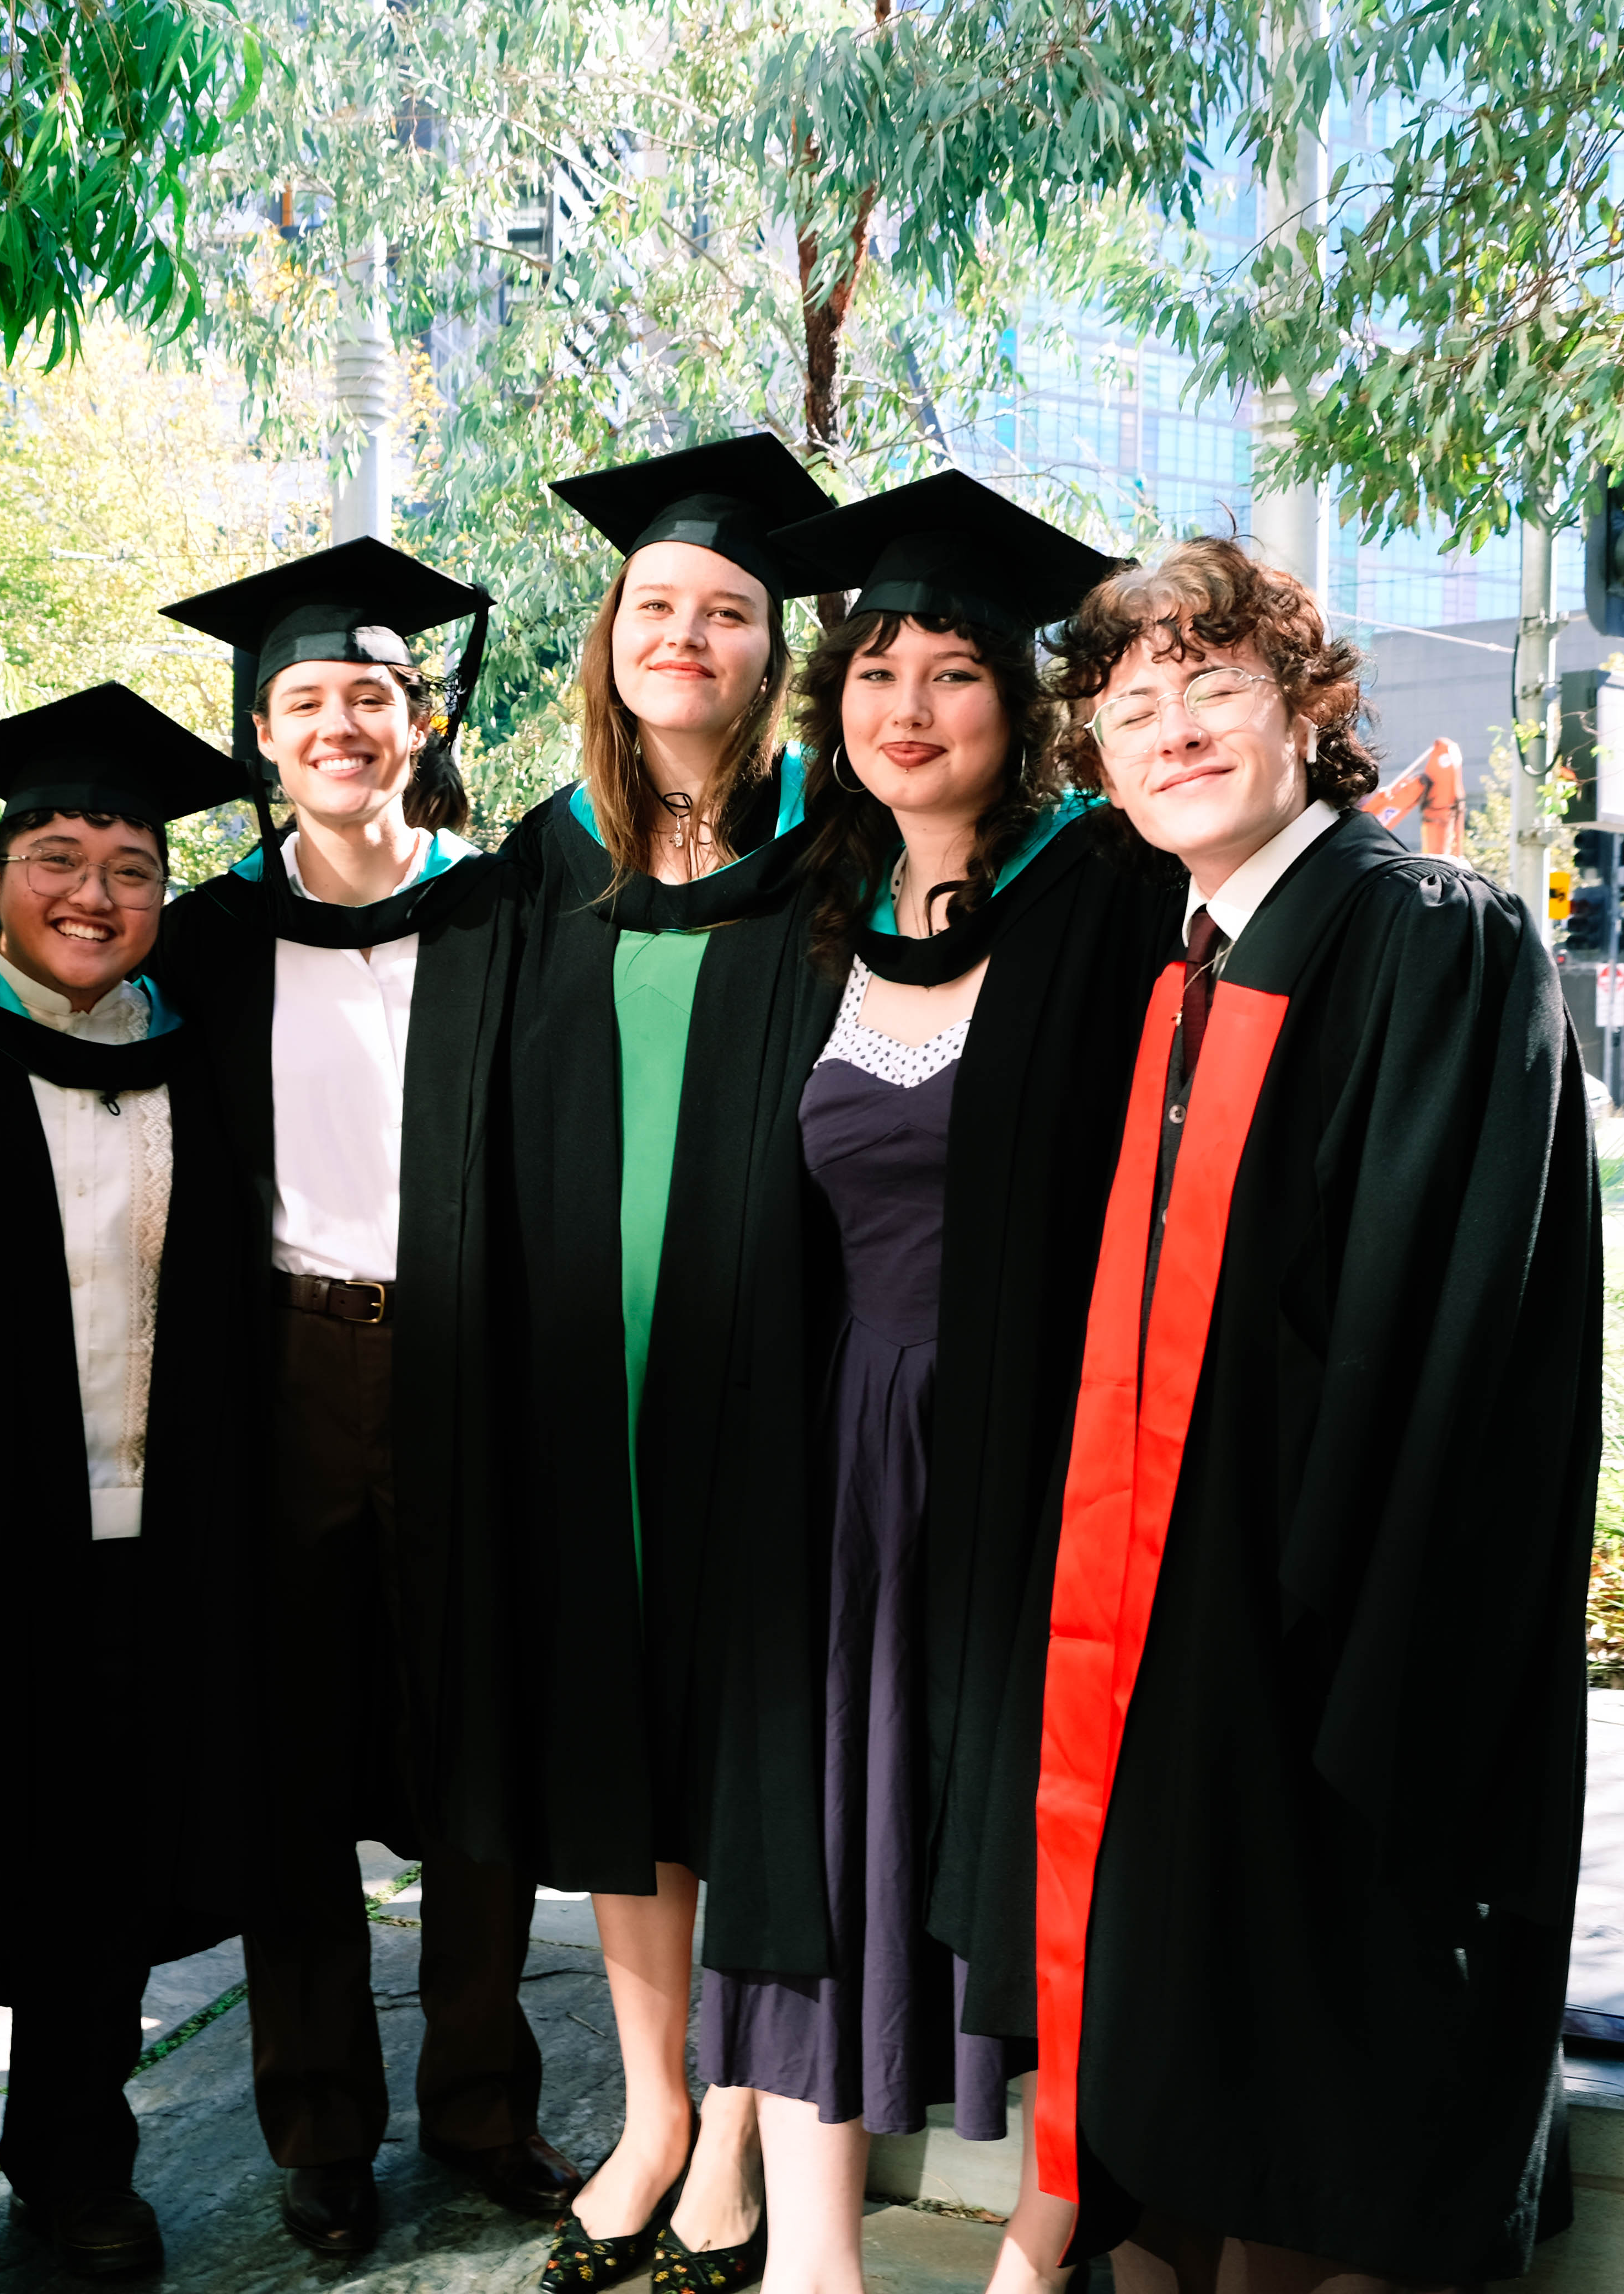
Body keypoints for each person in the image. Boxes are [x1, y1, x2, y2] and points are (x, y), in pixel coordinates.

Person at [1014, 537, 1598, 2292]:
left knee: (1339, 2039)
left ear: (1308, 710)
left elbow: (1447, 1331)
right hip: (1195, 1601)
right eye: (1134, 708)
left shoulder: (1428, 936)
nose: (1173, 729)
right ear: (1100, 762)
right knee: (1214, 2020)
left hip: (1344, 1607)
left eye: (1214, 687)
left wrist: (1318, 1607)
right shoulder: (1188, 965)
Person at [672, 473, 1161, 2294]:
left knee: (1021, 1823)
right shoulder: (813, 903)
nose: (909, 706)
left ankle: (1048, 2231)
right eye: (878, 669)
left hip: (1037, 1449)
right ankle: (815, 2253)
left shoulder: (1105, 897)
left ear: (1019, 711)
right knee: (816, 1826)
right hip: (839, 1448)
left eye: (956, 672)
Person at [153, 542, 585, 2254]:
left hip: (468, 1361)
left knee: (478, 1740)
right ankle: (320, 2128)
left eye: (373, 698)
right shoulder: (203, 937)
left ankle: (484, 2108)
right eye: (309, 701)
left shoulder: (507, 914)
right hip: (275, 1366)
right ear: (264, 734)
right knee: (288, 1756)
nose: (343, 725)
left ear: (422, 721)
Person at [0, 683, 269, 2294]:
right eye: (60, 857)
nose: (96, 895)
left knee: (96, 1868)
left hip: (136, 1539)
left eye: (135, 867)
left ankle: (83, 2163)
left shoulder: (191, 1058)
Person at [502, 433, 839, 2294]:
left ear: (769, 648)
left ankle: (735, 2136)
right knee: (626, 1774)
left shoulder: (837, 849)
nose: (685, 632)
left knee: (748, 1763)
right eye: (657, 605)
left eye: (725, 609)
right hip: (586, 1402)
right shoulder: (541, 868)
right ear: (611, 633)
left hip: (772, 1393)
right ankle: (649, 2103)